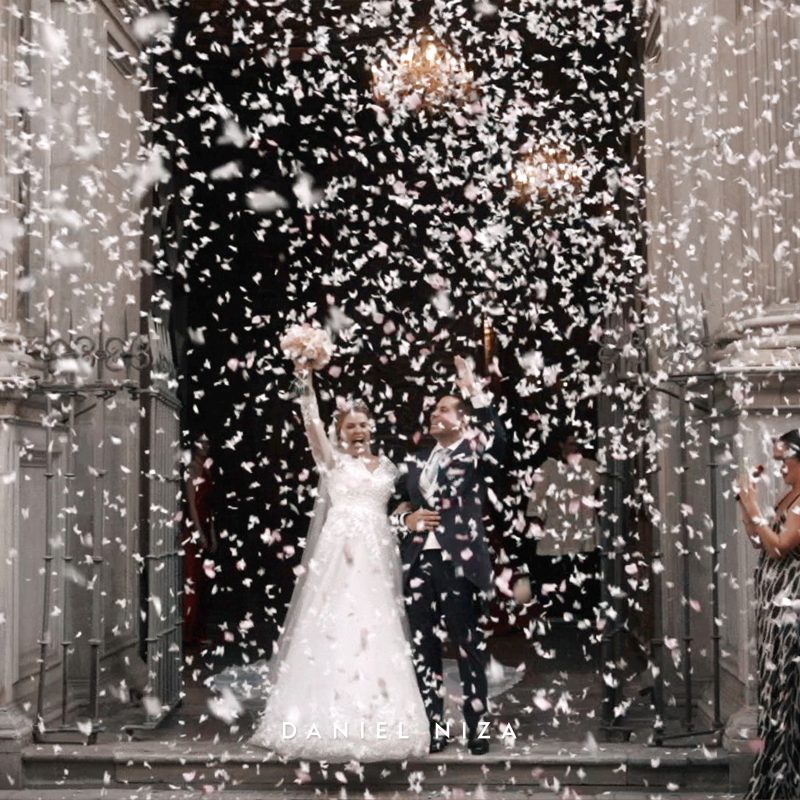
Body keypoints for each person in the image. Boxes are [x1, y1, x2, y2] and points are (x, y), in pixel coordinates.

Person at [249, 364, 429, 761]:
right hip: (338, 556)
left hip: (377, 555)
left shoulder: (389, 468)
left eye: (364, 425)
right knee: (334, 622)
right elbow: (310, 418)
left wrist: (406, 520)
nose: (359, 431)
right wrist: (303, 375)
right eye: (351, 426)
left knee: (376, 624)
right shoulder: (330, 463)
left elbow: (400, 510)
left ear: (372, 427)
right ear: (341, 431)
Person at [393, 355, 507, 755]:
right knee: (424, 649)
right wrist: (406, 522)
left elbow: (501, 439)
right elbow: (396, 506)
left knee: (468, 647)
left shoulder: (475, 452)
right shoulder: (416, 460)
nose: (434, 413)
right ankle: (434, 726)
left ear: (460, 419)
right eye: (434, 408)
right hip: (419, 562)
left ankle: (477, 727)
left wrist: (472, 389)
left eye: (443, 408)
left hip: (459, 564)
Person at [738, 429, 800, 800]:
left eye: (785, 462)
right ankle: (773, 775)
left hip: (791, 612)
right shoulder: (789, 496)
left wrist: (754, 507)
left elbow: (779, 548)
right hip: (773, 611)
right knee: (775, 691)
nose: (780, 469)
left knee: (788, 693)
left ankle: (787, 780)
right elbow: (757, 539)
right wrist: (750, 503)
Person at [525, 432, 601, 621]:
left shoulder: (592, 467)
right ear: (561, 445)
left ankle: (585, 609)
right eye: (571, 444)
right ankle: (560, 609)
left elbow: (602, 494)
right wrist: (535, 519)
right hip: (557, 529)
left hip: (583, 529)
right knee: (559, 572)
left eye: (578, 444)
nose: (575, 448)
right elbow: (537, 496)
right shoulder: (549, 467)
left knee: (584, 571)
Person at [182, 434, 217, 648]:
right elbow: (192, 505)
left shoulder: (207, 468)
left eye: (207, 442)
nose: (205, 446)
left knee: (203, 581)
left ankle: (199, 631)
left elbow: (209, 504)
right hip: (193, 527)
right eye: (201, 442)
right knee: (192, 578)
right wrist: (199, 532)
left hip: (205, 522)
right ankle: (188, 633)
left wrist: (211, 532)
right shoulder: (191, 470)